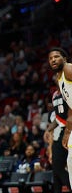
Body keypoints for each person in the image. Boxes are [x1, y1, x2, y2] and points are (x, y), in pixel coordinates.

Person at [48, 47, 72, 189]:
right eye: (50, 58)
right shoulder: (61, 79)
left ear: (65, 59)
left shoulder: (68, 68)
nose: (53, 60)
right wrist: (68, 131)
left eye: (56, 56)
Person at [44, 88, 70, 193]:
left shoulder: (68, 90)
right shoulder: (55, 95)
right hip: (59, 136)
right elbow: (58, 119)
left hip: (68, 131)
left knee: (59, 168)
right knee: (56, 170)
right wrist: (48, 129)